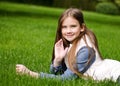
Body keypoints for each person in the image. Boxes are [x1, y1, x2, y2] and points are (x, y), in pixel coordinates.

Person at [16, 8, 120, 82]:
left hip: (116, 74)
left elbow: (66, 79)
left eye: (73, 26)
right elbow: (57, 74)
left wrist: (31, 74)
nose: (68, 31)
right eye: (64, 27)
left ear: (82, 27)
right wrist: (57, 60)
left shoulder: (85, 49)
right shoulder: (70, 43)